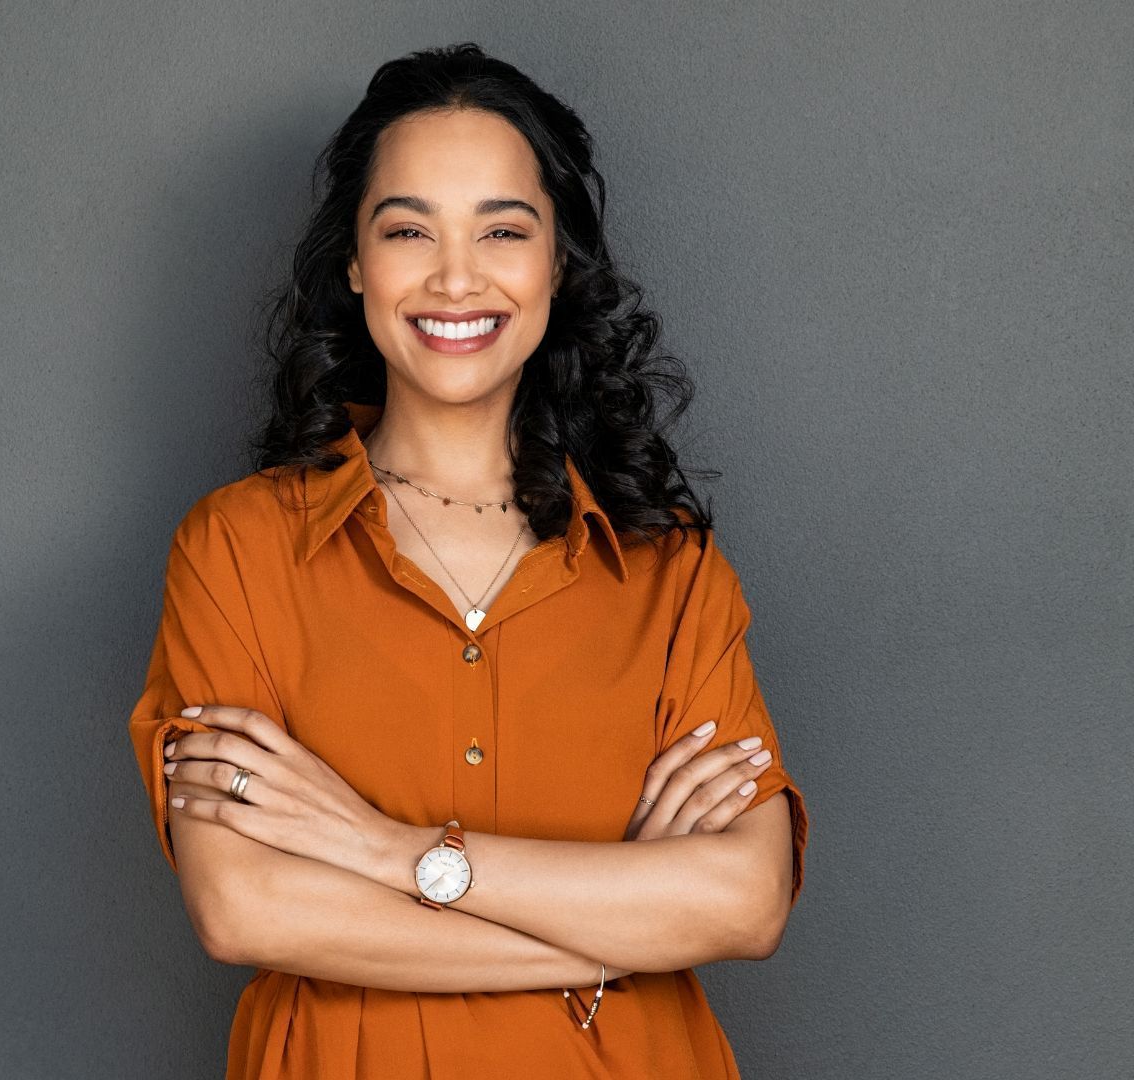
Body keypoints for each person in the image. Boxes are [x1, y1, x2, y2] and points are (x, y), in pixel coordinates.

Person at [126, 42, 809, 1079]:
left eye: (503, 229)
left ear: (557, 264)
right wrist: (617, 922)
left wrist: (375, 848)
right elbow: (244, 906)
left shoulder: (670, 570)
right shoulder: (239, 550)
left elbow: (746, 902)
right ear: (355, 263)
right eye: (409, 230)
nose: (456, 277)